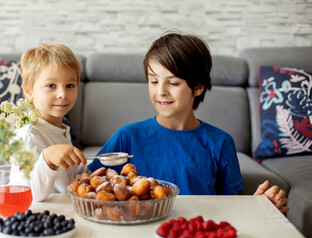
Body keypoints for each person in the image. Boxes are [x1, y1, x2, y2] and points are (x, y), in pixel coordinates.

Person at [88, 32, 289, 213]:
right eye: (154, 81)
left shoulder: (220, 142)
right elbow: (87, 186)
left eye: (173, 83)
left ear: (198, 87)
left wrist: (258, 208)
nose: (161, 91)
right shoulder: (127, 136)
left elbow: (230, 208)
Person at [12, 43, 88, 201]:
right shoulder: (29, 134)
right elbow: (29, 194)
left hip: (62, 210)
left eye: (70, 85)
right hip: (38, 217)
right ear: (29, 91)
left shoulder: (60, 129)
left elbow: (70, 175)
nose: (62, 94)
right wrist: (47, 159)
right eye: (51, 86)